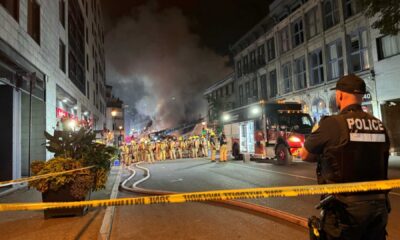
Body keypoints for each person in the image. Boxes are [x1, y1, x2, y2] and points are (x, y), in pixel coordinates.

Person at [301, 74, 390, 240]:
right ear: (362, 97)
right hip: (378, 208)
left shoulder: (333, 124)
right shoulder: (380, 125)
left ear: (339, 95)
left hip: (344, 212)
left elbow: (304, 154)